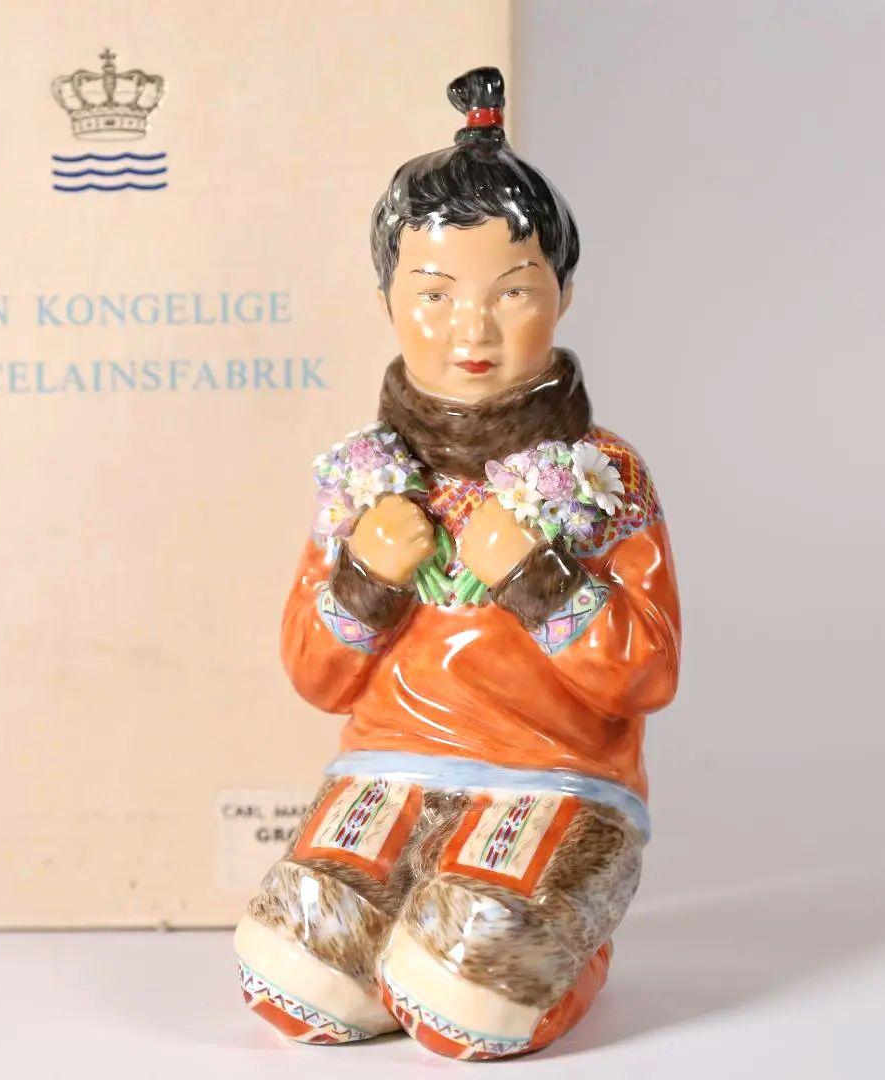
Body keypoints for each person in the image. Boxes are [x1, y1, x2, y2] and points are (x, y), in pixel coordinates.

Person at [234, 66, 681, 1061]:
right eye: (433, 296)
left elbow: (648, 673)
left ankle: (549, 942)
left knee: (469, 994)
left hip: (553, 778)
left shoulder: (600, 475)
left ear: (562, 294)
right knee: (296, 972)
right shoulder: (368, 476)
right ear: (387, 300)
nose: (471, 331)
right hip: (389, 768)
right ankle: (414, 932)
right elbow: (316, 674)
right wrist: (365, 577)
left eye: (511, 293)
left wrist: (539, 578)